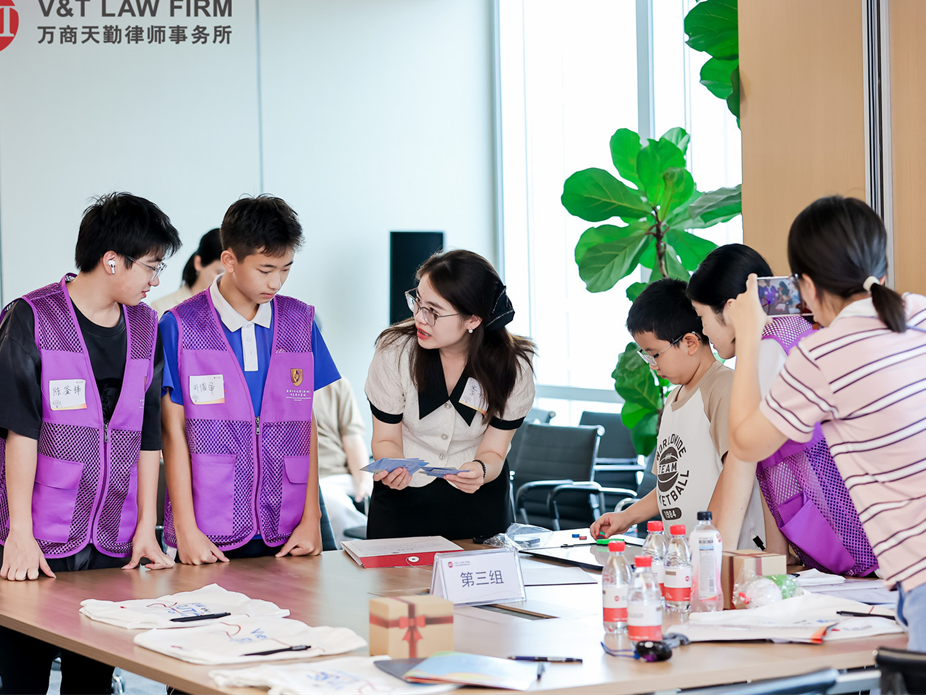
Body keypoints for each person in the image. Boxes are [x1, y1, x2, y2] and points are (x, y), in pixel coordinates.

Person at [727, 195, 926, 650]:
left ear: (807, 286)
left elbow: (744, 442)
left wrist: (749, 334)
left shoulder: (821, 355)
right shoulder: (919, 312)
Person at [0, 192, 179, 694]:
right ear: (112, 260)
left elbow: (148, 437)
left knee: (92, 684)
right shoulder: (31, 318)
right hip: (39, 539)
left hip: (112, 541)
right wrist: (19, 532)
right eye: (151, 266)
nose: (155, 281)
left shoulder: (145, 326)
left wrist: (146, 527)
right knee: (23, 683)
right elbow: (19, 431)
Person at [160, 195, 339, 565]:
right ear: (229, 260)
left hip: (288, 528)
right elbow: (172, 432)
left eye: (286, 269)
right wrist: (186, 530)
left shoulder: (301, 323)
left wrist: (312, 519)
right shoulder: (179, 326)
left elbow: (305, 423)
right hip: (209, 528)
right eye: (265, 269)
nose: (276, 282)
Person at [687, 243, 877, 576]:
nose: (703, 331)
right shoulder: (792, 332)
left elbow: (742, 466)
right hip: (854, 541)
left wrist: (708, 571)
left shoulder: (767, 350)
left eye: (702, 317)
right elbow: (768, 460)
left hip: (855, 546)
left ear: (731, 309)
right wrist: (777, 553)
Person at [364, 249, 535, 540]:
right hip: (402, 502)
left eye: (434, 311)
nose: (420, 317)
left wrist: (481, 469)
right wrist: (393, 465)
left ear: (473, 319)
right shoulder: (395, 351)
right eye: (418, 302)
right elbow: (385, 439)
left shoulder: (512, 367)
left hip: (479, 503)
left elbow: (495, 451)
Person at [590, 279, 767, 550]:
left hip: (731, 551)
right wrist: (627, 516)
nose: (653, 365)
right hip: (687, 553)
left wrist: (708, 537)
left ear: (690, 342)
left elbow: (735, 475)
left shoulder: (723, 388)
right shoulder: (673, 399)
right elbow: (668, 486)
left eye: (655, 354)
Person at [315, 376, 372, 543]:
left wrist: (363, 480)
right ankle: (366, 547)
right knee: (335, 506)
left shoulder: (337, 383)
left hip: (343, 474)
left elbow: (352, 438)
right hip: (317, 480)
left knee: (394, 491)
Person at [151, 228, 224, 317]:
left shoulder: (231, 309)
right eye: (219, 273)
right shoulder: (161, 307)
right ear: (198, 263)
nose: (224, 280)